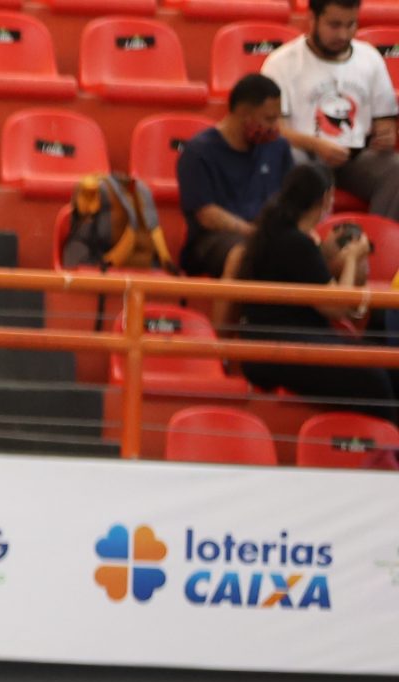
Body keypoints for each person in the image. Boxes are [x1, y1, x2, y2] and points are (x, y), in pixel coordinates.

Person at [220, 163, 399, 423]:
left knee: (389, 368)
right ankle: (387, 452)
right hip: (277, 350)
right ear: (326, 197)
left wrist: (326, 256)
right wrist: (351, 258)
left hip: (283, 345)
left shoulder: (283, 235)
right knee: (374, 378)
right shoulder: (295, 242)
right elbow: (337, 306)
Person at [262, 0, 399, 221]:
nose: (344, 35)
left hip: (357, 155)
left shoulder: (371, 58)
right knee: (292, 161)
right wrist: (317, 145)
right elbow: (275, 129)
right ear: (313, 19)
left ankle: (378, 244)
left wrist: (386, 134)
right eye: (334, 25)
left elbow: (385, 120)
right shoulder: (281, 63)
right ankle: (306, 247)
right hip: (305, 153)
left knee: (396, 169)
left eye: (351, 24)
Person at [179, 75, 294, 279]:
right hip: (214, 240)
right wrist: (256, 234)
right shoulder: (198, 152)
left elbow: (291, 199)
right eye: (269, 119)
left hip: (268, 235)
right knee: (246, 254)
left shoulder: (278, 147)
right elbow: (207, 215)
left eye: (278, 118)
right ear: (243, 114)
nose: (276, 126)